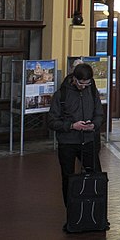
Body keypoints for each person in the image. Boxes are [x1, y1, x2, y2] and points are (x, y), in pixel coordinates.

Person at [47, 63, 104, 210]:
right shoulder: (61, 94)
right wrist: (72, 126)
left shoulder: (92, 91)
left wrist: (94, 125)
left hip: (89, 140)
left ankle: (95, 211)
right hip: (68, 143)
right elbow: (52, 121)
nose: (83, 87)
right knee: (68, 177)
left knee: (95, 175)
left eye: (87, 83)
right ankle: (72, 212)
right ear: (74, 79)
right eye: (81, 83)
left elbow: (99, 113)